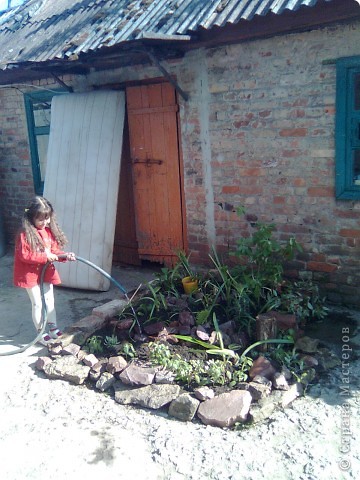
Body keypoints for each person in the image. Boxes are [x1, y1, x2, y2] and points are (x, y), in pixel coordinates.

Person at [13, 196, 76, 346]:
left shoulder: (47, 232)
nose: (45, 222)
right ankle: (41, 332)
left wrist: (63, 255)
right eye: (41, 219)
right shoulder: (24, 234)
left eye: (47, 218)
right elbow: (25, 255)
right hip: (30, 275)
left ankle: (53, 328)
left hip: (45, 272)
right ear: (31, 218)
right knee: (38, 304)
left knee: (49, 301)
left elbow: (53, 250)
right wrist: (45, 256)